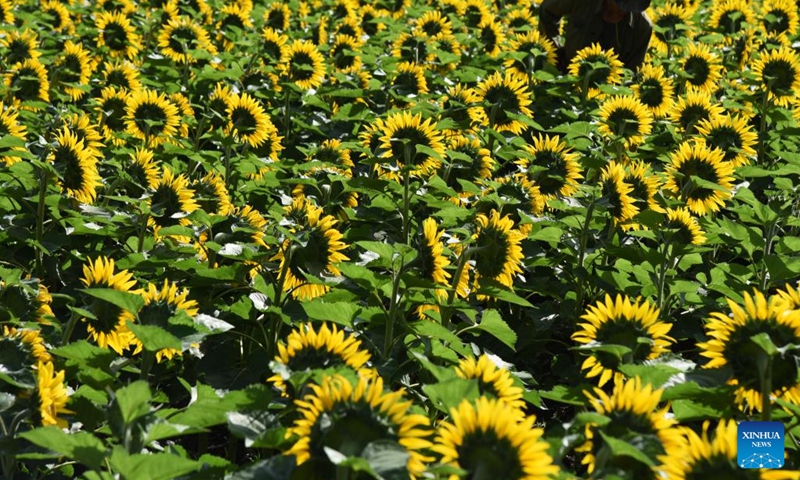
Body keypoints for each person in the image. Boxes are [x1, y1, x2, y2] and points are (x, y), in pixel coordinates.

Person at [538, 0, 653, 71]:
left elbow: (631, 72)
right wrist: (554, 53)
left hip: (609, 95)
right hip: (565, 75)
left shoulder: (642, 27)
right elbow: (547, 11)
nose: (621, 9)